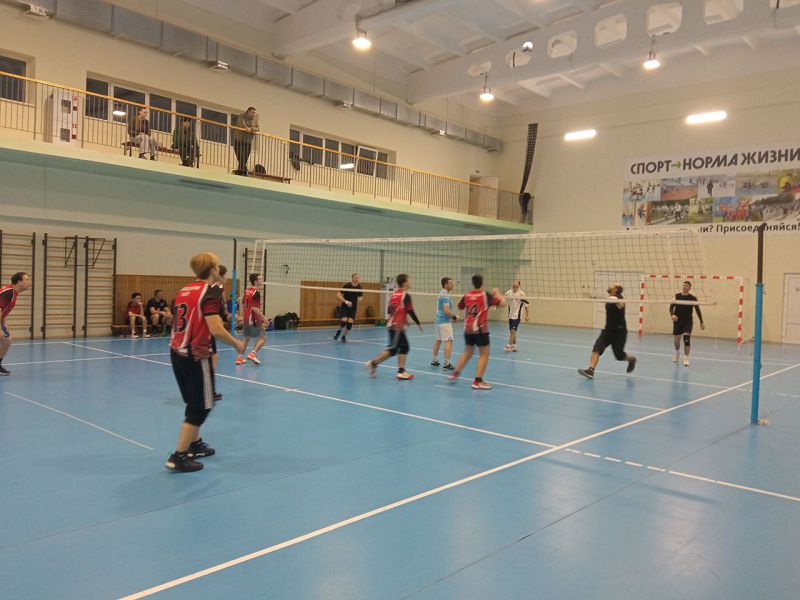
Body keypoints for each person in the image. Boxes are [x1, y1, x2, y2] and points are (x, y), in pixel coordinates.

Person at [166, 252, 246, 472]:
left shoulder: (185, 289)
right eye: (217, 266)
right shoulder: (210, 292)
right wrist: (237, 344)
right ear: (212, 270)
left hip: (177, 351)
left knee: (193, 402)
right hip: (196, 354)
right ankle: (179, 456)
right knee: (201, 407)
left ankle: (194, 444)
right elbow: (215, 328)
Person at [448, 274, 505, 390]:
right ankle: (478, 381)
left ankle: (455, 373)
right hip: (480, 329)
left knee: (468, 352)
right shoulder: (485, 295)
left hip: (468, 328)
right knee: (484, 354)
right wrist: (497, 292)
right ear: (482, 282)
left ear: (472, 283)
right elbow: (502, 303)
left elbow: (460, 306)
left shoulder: (467, 294)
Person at [365, 273, 423, 380]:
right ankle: (374, 364)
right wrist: (418, 323)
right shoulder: (406, 295)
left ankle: (399, 370)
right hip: (397, 327)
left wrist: (403, 320)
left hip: (392, 324)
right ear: (404, 283)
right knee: (396, 349)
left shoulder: (394, 294)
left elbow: (392, 310)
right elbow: (410, 311)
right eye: (409, 280)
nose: (411, 282)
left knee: (399, 348)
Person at [578, 284, 637, 379]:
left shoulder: (620, 299)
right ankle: (590, 370)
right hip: (607, 331)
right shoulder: (609, 298)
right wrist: (592, 296)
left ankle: (631, 359)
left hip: (619, 332)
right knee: (597, 348)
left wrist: (614, 300)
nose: (610, 286)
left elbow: (620, 305)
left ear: (615, 290)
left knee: (619, 356)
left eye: (613, 285)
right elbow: (605, 299)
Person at [0, 272, 32, 376]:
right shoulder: (9, 292)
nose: (29, 282)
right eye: (26, 280)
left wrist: (3, 322)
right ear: (19, 282)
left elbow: (2, 310)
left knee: (6, 340)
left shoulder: (13, 293)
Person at [670, 280, 705, 366]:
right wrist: (672, 315)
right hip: (678, 321)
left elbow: (697, 310)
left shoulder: (693, 298)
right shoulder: (676, 296)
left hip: (688, 321)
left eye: (686, 286)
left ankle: (686, 358)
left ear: (690, 288)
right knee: (676, 342)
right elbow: (671, 307)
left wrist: (701, 321)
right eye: (684, 285)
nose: (685, 287)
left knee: (686, 340)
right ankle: (677, 353)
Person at [236, 273, 267, 365]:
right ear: (255, 281)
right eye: (260, 279)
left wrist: (243, 316)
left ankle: (239, 358)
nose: (262, 281)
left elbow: (243, 304)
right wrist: (264, 317)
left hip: (246, 318)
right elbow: (254, 308)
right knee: (263, 338)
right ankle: (253, 354)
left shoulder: (247, 291)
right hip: (253, 318)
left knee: (246, 338)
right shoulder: (256, 293)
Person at [210, 265, 229, 402]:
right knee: (212, 359)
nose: (227, 278)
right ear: (220, 275)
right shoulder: (215, 290)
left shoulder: (214, 289)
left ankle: (208, 390)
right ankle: (209, 392)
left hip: (208, 328)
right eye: (225, 275)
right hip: (210, 329)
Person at [431, 277, 458, 370]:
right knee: (448, 341)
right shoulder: (446, 295)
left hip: (437, 321)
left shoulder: (441, 293)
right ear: (445, 284)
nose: (452, 284)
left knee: (438, 340)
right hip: (444, 322)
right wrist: (454, 317)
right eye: (450, 283)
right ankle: (447, 363)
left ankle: (434, 360)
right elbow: (446, 311)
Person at [333, 273, 363, 343]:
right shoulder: (347, 285)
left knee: (350, 322)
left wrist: (359, 300)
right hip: (345, 306)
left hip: (353, 307)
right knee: (344, 320)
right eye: (355, 277)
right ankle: (337, 333)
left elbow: (361, 297)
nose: (357, 279)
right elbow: (338, 295)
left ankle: (343, 337)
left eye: (358, 277)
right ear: (352, 278)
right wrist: (346, 302)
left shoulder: (359, 287)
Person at [233, 106, 259, 176]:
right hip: (238, 140)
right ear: (248, 112)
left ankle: (241, 172)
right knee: (241, 157)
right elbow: (241, 124)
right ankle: (244, 171)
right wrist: (246, 128)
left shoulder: (255, 118)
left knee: (244, 158)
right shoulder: (242, 116)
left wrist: (251, 128)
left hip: (248, 142)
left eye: (254, 113)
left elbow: (258, 128)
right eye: (252, 112)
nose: (254, 114)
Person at [504, 279, 529, 352]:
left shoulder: (521, 294)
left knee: (513, 331)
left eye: (516, 282)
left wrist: (527, 315)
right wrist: (495, 306)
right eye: (514, 282)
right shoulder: (508, 292)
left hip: (517, 316)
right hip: (510, 315)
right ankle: (514, 346)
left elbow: (526, 305)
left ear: (519, 285)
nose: (514, 283)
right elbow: (503, 299)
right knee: (512, 332)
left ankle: (509, 345)